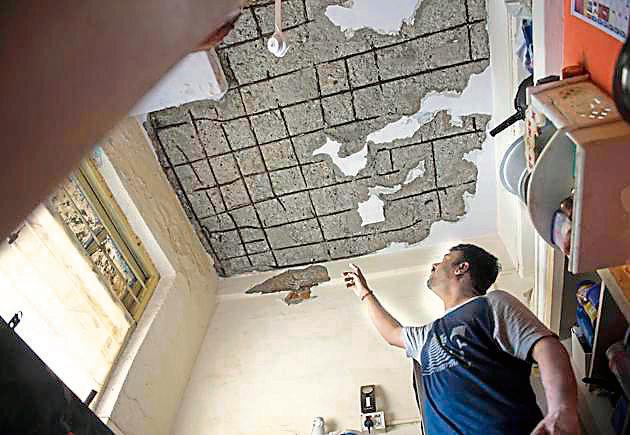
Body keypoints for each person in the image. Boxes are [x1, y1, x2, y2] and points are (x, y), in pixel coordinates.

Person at [343, 244, 579, 435]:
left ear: (461, 267)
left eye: (445, 258)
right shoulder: (427, 335)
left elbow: (546, 346)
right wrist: (363, 292)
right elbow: (392, 333)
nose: (435, 264)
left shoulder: (491, 304)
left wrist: (562, 410)